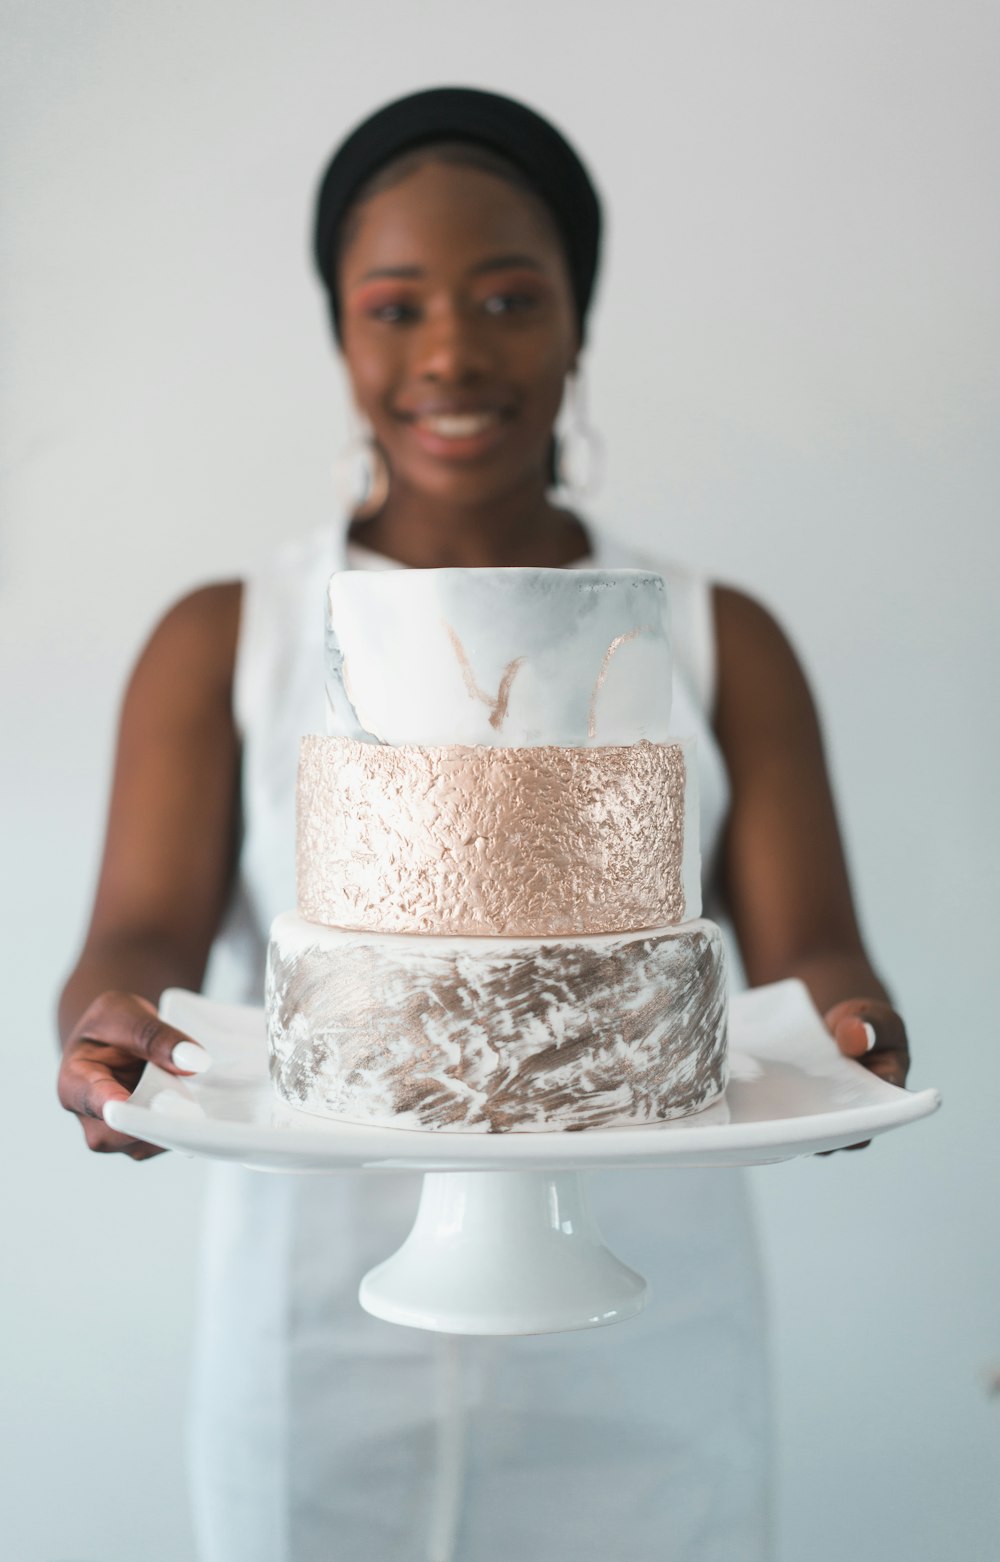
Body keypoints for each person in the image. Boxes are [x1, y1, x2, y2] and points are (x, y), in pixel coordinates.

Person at [57, 87, 910, 1562]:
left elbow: (816, 952)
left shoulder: (717, 637)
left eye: (510, 298)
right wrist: (112, 1040)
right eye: (396, 308)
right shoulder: (229, 636)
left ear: (579, 322)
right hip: (318, 1337)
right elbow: (137, 938)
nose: (451, 352)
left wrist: (853, 1037)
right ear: (340, 332)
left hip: (649, 1332)